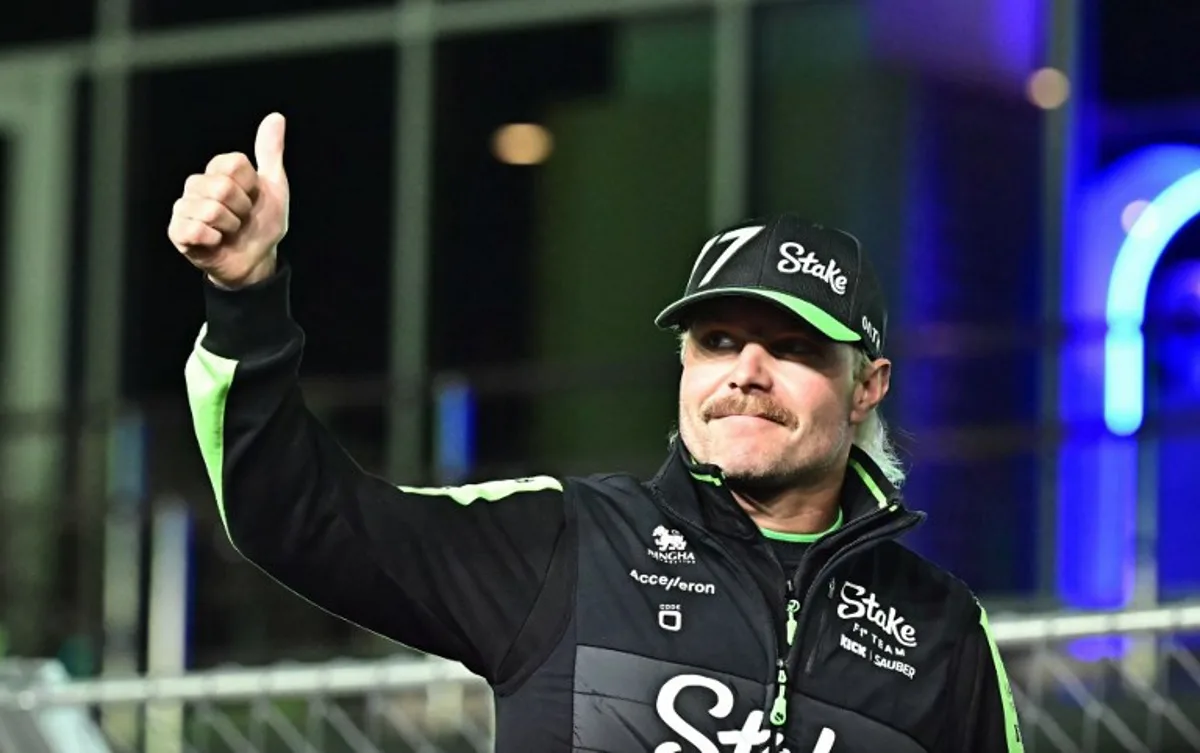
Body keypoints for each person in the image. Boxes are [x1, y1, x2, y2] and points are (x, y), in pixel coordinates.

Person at [171, 113, 1025, 753]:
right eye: (717, 342)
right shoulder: (564, 542)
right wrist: (246, 301)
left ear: (867, 386)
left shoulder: (941, 630)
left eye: (794, 348)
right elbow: (297, 517)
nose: (747, 372)